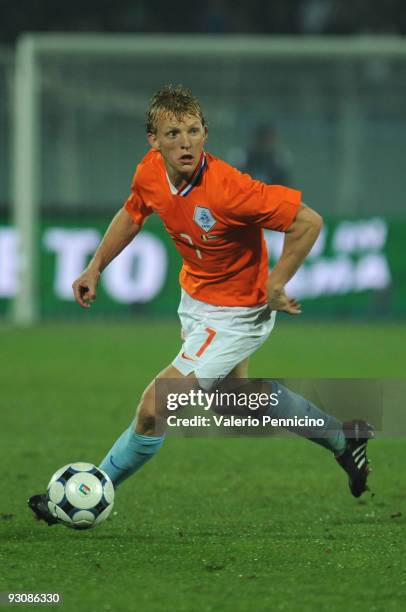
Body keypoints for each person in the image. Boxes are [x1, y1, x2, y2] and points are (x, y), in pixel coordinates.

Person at [28, 85, 374, 525]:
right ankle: (344, 438)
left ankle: (88, 492)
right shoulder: (150, 171)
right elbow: (134, 211)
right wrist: (95, 267)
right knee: (233, 400)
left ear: (206, 133)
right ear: (153, 140)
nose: (185, 142)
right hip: (196, 299)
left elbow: (308, 221)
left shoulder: (231, 190)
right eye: (173, 133)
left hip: (237, 313)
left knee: (157, 406)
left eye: (193, 131)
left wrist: (277, 282)